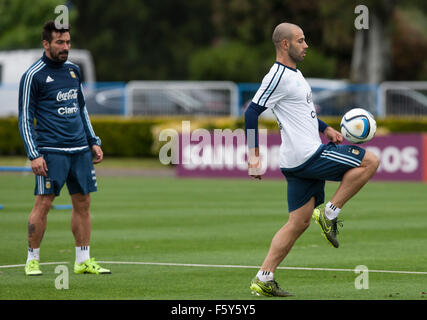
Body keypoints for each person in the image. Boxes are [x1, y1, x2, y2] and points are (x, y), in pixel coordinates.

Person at [244, 22, 379, 297]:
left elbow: (301, 111)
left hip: (298, 160)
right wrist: (253, 155)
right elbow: (251, 113)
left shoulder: (294, 74)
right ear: (285, 45)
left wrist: (325, 127)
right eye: (301, 40)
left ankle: (264, 277)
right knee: (370, 162)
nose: (306, 45)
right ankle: (330, 212)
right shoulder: (277, 75)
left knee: (298, 223)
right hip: (307, 156)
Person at [18, 21, 110, 276]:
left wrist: (93, 140)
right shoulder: (33, 75)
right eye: (60, 42)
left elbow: (81, 108)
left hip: (80, 150)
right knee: (44, 203)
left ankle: (83, 260)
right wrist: (33, 154)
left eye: (68, 42)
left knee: (83, 203)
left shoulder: (73, 71)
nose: (65, 47)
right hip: (51, 151)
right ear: (46, 44)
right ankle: (32, 260)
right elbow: (25, 117)